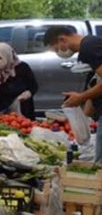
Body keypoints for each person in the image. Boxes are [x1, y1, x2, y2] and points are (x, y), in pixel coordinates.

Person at [44, 26, 102, 161]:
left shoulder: (88, 48)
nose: (60, 53)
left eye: (57, 49)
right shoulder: (90, 44)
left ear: (62, 39)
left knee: (100, 165)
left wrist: (81, 97)